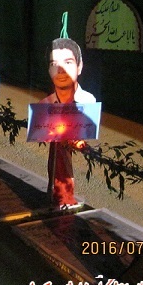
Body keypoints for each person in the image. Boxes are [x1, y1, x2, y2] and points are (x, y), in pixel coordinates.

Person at [40, 37, 96, 209]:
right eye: (55, 64)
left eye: (68, 62)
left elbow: (82, 134)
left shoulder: (87, 101)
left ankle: (63, 196)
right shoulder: (47, 103)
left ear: (80, 67)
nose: (61, 70)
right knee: (56, 159)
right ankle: (58, 195)